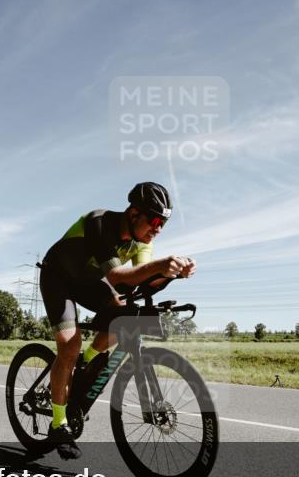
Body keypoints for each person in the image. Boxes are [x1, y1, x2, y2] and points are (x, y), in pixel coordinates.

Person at [39, 182, 195, 459]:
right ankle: (58, 423)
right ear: (134, 213)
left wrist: (172, 274)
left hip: (87, 282)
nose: (158, 229)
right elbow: (117, 277)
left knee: (124, 313)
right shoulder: (100, 222)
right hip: (58, 278)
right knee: (68, 346)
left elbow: (139, 280)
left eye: (164, 224)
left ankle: (87, 361)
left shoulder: (142, 242)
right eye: (155, 220)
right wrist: (160, 266)